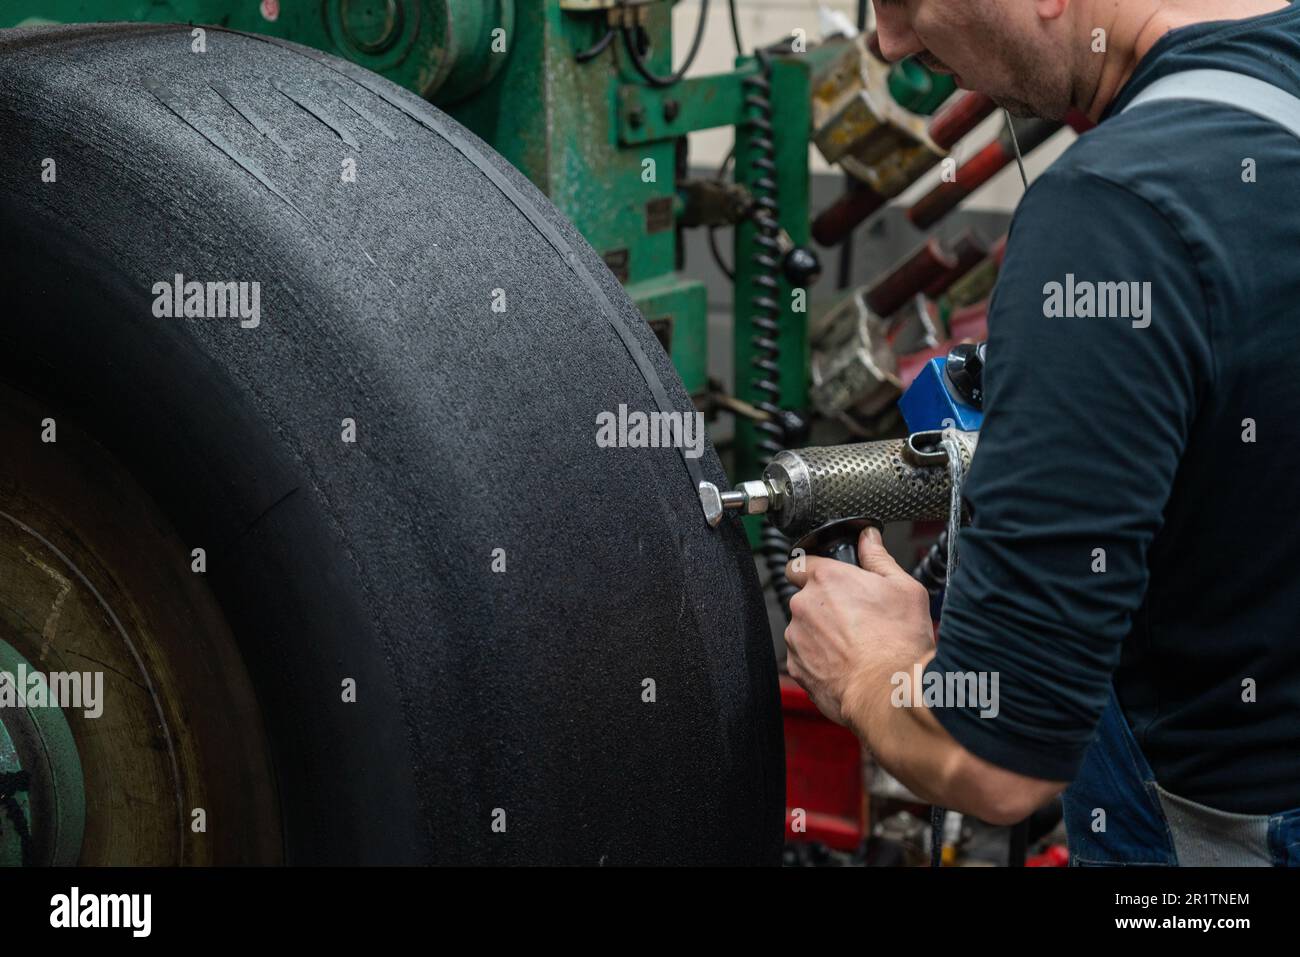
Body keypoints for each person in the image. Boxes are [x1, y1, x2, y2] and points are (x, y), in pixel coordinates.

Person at [784, 0, 1300, 865]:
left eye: (905, 0)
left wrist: (873, 667)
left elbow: (995, 757)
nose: (890, 41)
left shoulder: (1110, 215)